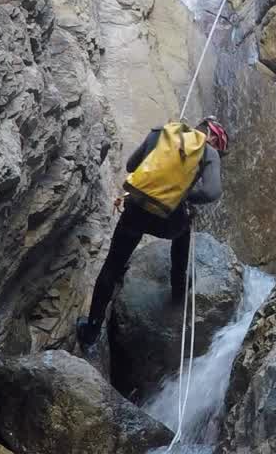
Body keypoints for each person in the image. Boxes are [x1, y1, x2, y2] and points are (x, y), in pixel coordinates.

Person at [76, 117, 230, 347]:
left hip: (136, 212)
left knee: (111, 266)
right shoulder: (209, 153)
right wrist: (180, 194)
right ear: (215, 138)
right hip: (168, 222)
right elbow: (212, 192)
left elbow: (131, 166)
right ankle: (178, 287)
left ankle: (91, 331)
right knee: (185, 228)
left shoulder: (162, 132)